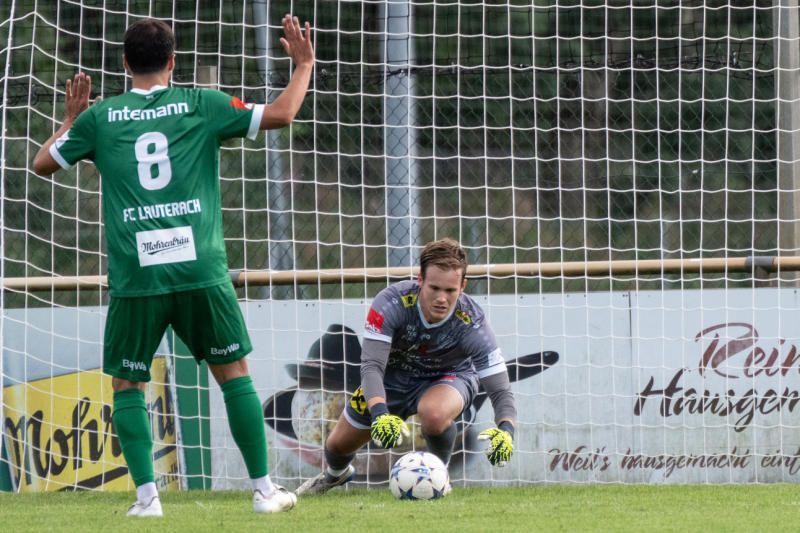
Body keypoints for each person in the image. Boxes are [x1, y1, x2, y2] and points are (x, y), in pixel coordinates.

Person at [32, 15, 314, 516]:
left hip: (138, 276)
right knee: (234, 374)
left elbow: (43, 163)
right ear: (173, 60)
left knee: (127, 384)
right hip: (199, 270)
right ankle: (265, 492)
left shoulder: (102, 118)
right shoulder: (202, 104)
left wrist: (73, 118)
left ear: (124, 62)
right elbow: (282, 114)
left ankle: (147, 499)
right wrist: (304, 64)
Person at [296, 238, 517, 495]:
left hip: (449, 376)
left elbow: (499, 387)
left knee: (433, 414)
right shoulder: (391, 303)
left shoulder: (472, 321)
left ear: (463, 286)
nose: (442, 299)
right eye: (434, 288)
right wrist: (379, 414)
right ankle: (335, 475)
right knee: (336, 446)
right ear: (419, 280)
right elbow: (371, 366)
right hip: (392, 378)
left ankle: (438, 475)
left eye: (450, 291)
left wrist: (506, 430)